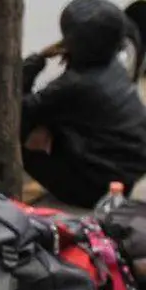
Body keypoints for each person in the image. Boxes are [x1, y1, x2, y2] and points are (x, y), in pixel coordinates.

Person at [22, 0, 146, 208]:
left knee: (19, 134)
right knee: (51, 121)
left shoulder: (75, 84)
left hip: (99, 189)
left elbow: (20, 112)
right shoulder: (112, 64)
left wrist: (34, 62)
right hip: (127, 174)